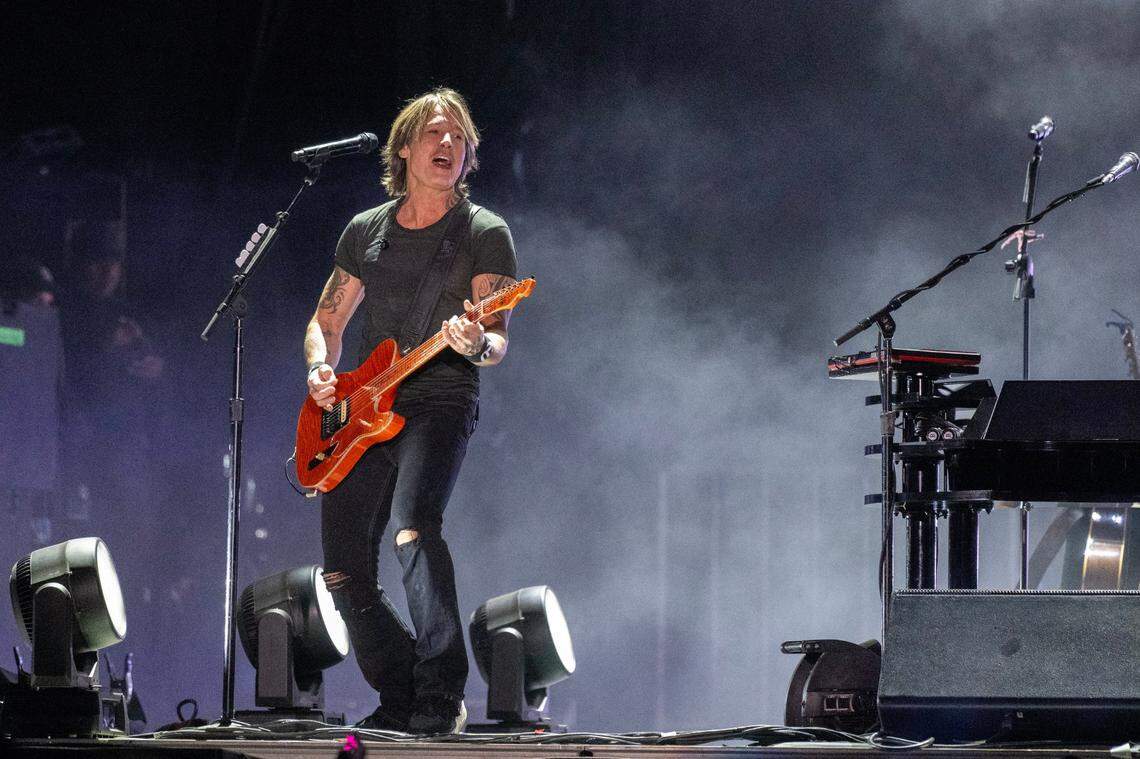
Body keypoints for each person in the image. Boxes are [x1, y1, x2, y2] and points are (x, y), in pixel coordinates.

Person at [302, 88, 519, 734]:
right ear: (405, 147)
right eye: (434, 133)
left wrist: (476, 339)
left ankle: (441, 686)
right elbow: (326, 320)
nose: (448, 143)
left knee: (413, 525)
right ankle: (401, 688)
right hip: (367, 405)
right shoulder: (366, 231)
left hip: (441, 397)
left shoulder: (484, 233)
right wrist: (320, 367)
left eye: (458, 135)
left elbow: (499, 338)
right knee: (342, 567)